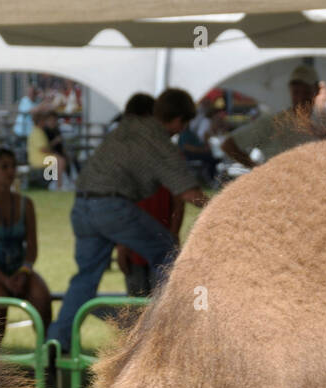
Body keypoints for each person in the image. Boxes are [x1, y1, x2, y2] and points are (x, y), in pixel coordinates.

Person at [52, 87, 208, 353]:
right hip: (111, 205)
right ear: (179, 120)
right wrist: (224, 207)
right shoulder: (159, 140)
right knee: (167, 253)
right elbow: (188, 193)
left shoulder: (130, 125)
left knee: (85, 279)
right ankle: (169, 337)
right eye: (182, 125)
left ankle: (55, 344)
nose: (179, 131)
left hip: (82, 204)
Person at [0, 148, 52, 352]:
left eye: (13, 166)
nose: (10, 171)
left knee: (42, 297)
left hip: (17, 268)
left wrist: (23, 272)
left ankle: (46, 355)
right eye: (4, 167)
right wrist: (5, 280)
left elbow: (32, 247)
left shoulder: (26, 204)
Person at [111, 95, 183, 297]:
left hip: (161, 244)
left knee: (162, 309)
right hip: (134, 246)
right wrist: (122, 245)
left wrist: (173, 235)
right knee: (136, 309)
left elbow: (179, 203)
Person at [220, 64, 326, 169]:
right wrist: (257, 170)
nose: (300, 98)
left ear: (316, 91)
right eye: (296, 92)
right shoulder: (274, 121)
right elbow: (229, 145)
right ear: (290, 91)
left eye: (306, 92)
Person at [27, 106, 69, 189]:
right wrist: (54, 148)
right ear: (40, 121)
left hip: (41, 157)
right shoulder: (37, 132)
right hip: (38, 160)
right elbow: (43, 149)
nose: (45, 122)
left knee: (61, 158)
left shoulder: (39, 131)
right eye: (44, 120)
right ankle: (59, 185)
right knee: (59, 160)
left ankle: (61, 183)